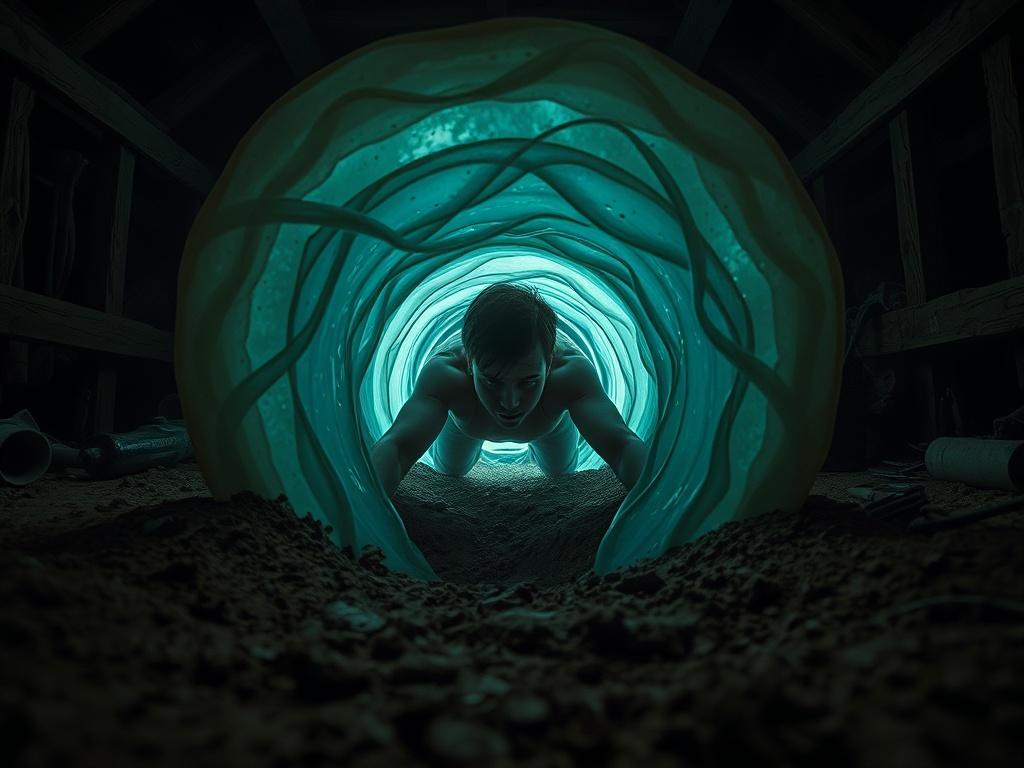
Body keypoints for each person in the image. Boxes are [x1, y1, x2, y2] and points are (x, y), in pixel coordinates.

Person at [370, 283, 648, 497]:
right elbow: (397, 447)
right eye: (492, 381)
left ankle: (528, 440)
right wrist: (363, 503)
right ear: (469, 363)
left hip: (549, 424)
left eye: (528, 382)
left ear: (549, 363)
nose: (510, 402)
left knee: (560, 474)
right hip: (466, 422)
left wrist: (661, 500)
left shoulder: (570, 374)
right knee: (450, 472)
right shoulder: (446, 375)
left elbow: (621, 445)